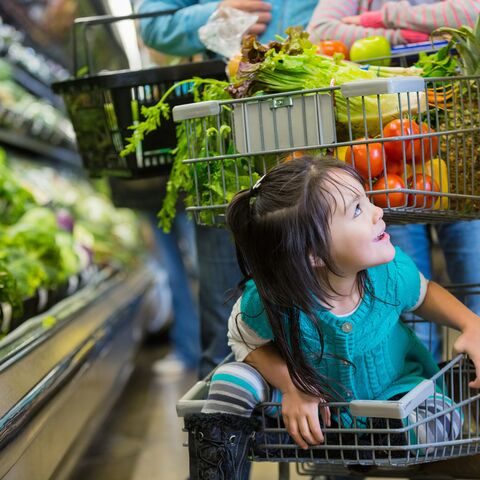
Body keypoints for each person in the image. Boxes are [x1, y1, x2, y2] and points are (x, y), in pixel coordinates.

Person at [185, 156, 477, 479]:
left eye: (366, 200)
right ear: (313, 254)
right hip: (312, 413)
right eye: (357, 210)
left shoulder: (388, 275)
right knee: (231, 380)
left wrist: (471, 323)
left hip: (395, 392)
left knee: (443, 415)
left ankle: (377, 443)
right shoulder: (273, 297)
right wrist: (292, 385)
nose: (377, 212)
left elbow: (424, 294)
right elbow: (240, 335)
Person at [137, 0, 319, 378]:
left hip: (316, 128)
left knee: (322, 308)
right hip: (228, 142)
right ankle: (227, 427)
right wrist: (215, 16)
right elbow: (153, 22)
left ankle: (324, 418)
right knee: (227, 312)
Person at [307, 0, 480, 361]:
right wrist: (423, 34)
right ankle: (423, 397)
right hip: (391, 162)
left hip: (464, 157)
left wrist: (378, 22)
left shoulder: (372, 9)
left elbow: (472, 16)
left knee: (476, 294)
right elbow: (321, 31)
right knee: (402, 302)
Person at [307, 0, 480, 48]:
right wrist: (401, 37)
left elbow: (474, 13)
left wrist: (384, 18)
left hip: (448, 88)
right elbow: (320, 31)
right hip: (372, 88)